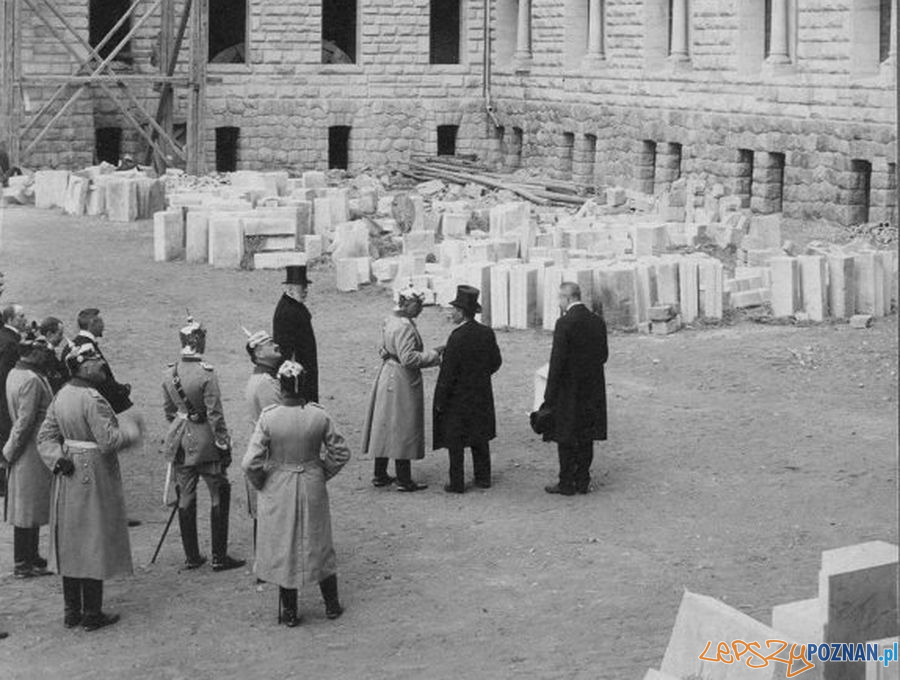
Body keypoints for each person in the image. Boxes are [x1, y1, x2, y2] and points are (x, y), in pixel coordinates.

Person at [36, 343, 142, 631]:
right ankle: (92, 613)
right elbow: (108, 441)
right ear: (83, 367)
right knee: (93, 539)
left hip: (67, 473)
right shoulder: (92, 399)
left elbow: (45, 437)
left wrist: (57, 459)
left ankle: (72, 610)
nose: (102, 365)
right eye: (96, 361)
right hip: (93, 473)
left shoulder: (62, 395)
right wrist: (131, 432)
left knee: (70, 541)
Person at [242, 360, 350, 626]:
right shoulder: (319, 415)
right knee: (319, 540)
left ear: (282, 387)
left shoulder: (269, 417)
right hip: (312, 481)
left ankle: (289, 611)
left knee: (283, 542)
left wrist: (262, 482)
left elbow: (250, 462)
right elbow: (340, 452)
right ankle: (331, 604)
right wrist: (321, 472)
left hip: (279, 482)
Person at [161, 316, 245, 572]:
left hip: (180, 440)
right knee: (219, 491)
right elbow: (215, 415)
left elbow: (169, 411)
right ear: (197, 341)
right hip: (206, 442)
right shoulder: (206, 373)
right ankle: (219, 556)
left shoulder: (169, 372)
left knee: (185, 496)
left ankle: (192, 556)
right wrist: (223, 445)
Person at [362, 286, 442, 492]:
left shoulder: (390, 320)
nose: (420, 309)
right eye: (418, 304)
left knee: (384, 423)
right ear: (406, 304)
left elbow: (382, 349)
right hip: (402, 379)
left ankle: (380, 473)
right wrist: (434, 354)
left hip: (387, 372)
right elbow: (409, 358)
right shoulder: (405, 327)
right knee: (403, 425)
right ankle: (404, 478)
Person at [433, 286, 502, 494]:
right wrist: (480, 376)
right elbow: (496, 361)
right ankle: (483, 477)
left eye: (454, 310)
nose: (452, 313)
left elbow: (448, 373)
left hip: (458, 396)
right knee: (480, 436)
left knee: (456, 440)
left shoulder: (456, 337)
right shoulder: (486, 333)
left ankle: (457, 482)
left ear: (462, 312)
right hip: (480, 393)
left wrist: (440, 399)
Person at [541, 282, 608, 496]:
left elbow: (557, 362)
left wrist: (549, 395)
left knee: (566, 435)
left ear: (567, 298)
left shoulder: (564, 323)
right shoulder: (597, 321)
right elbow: (603, 355)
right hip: (592, 387)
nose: (558, 303)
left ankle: (566, 482)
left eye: (560, 298)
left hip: (568, 389)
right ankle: (582, 480)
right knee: (586, 435)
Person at [3, 332, 55, 578]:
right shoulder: (32, 380)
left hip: (25, 447)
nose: (45, 356)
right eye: (42, 352)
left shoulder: (15, 373)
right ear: (33, 353)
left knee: (28, 506)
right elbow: (25, 422)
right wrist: (9, 451)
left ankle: (31, 556)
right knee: (27, 508)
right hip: (30, 449)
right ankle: (23, 561)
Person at [242, 328, 283, 543]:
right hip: (270, 456)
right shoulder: (266, 383)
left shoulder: (261, 379)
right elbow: (276, 424)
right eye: (269, 344)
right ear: (258, 353)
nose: (276, 345)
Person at [67, 309, 132, 414]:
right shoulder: (88, 347)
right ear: (92, 324)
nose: (103, 326)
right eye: (101, 322)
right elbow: (100, 381)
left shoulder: (73, 345)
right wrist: (122, 391)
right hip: (95, 406)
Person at [273, 265, 319, 403]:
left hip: (305, 365)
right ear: (290, 289)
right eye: (302, 287)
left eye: (306, 286)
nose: (305, 290)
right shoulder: (287, 311)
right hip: (297, 371)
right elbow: (285, 349)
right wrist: (292, 374)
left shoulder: (293, 305)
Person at [0, 304, 27, 495]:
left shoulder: (5, 336)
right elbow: (6, 375)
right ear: (10, 320)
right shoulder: (11, 343)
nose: (24, 320)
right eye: (21, 317)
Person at [38, 317, 71, 393]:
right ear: (49, 334)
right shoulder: (45, 354)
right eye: (60, 334)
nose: (62, 337)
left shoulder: (44, 350)